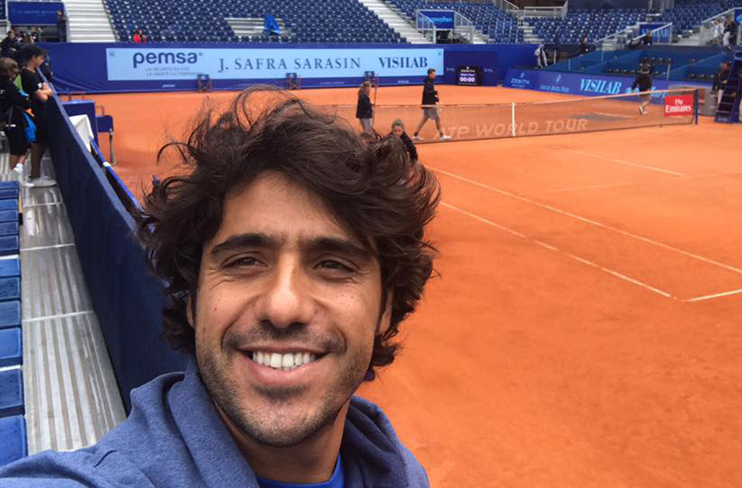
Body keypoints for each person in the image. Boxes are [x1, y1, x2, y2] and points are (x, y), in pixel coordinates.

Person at [0, 87, 439, 487]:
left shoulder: (404, 474)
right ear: (192, 297)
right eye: (244, 261)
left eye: (333, 265)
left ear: (385, 307)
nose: (282, 306)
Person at [20, 45, 55, 187]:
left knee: (41, 144)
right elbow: (44, 97)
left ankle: (36, 174)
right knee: (37, 145)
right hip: (35, 115)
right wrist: (48, 92)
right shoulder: (28, 75)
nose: (42, 61)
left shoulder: (34, 73)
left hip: (40, 114)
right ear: (33, 58)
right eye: (40, 58)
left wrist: (45, 90)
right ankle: (35, 176)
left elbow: (45, 89)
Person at [0, 57, 31, 182]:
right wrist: (27, 99)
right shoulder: (8, 86)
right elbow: (23, 102)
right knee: (19, 148)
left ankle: (16, 177)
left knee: (16, 148)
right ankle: (14, 179)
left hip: (5, 121)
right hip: (11, 121)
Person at [413, 68, 450, 141]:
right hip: (429, 105)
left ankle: (415, 135)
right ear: (430, 74)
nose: (434, 75)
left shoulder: (429, 82)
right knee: (437, 119)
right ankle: (442, 136)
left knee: (424, 119)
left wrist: (435, 98)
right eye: (433, 74)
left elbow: (428, 94)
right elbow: (427, 92)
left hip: (427, 104)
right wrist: (435, 93)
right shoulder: (428, 83)